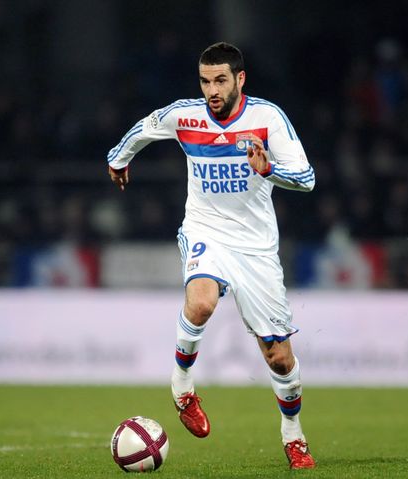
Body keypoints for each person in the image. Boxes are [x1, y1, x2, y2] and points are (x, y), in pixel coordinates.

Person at [107, 42, 316, 469]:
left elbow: (307, 178)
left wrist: (269, 169)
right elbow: (143, 129)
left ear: (240, 79)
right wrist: (117, 158)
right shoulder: (186, 115)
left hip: (256, 248)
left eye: (220, 80)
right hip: (207, 231)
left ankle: (293, 436)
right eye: (205, 81)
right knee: (201, 302)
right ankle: (182, 386)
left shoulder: (267, 118)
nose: (212, 90)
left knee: (278, 357)